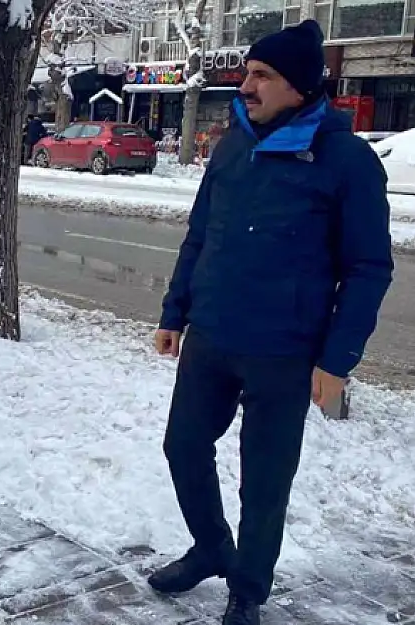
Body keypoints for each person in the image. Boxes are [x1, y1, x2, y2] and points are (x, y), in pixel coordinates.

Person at [148, 20, 393, 625]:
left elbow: (368, 269)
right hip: (210, 335)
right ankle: (210, 547)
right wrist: (174, 312)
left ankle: (248, 590)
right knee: (183, 446)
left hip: (284, 351)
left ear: (301, 87)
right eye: (249, 72)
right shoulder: (234, 142)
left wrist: (336, 360)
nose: (247, 83)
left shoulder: (348, 161)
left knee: (264, 480)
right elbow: (201, 235)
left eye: (263, 75)